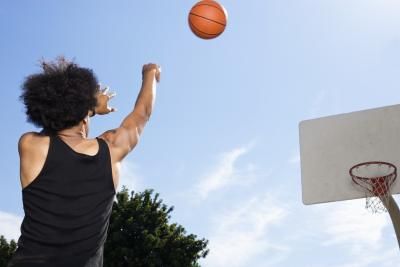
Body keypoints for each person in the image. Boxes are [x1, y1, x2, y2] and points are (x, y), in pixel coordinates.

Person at [7, 57, 161, 267]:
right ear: (83, 114)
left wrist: (88, 108)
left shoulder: (31, 145)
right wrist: (150, 73)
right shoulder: (111, 150)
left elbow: (54, 123)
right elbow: (142, 114)